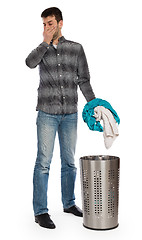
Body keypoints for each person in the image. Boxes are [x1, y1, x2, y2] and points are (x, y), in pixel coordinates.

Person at [25, 7, 95, 229]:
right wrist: (45, 43)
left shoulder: (76, 49)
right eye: (44, 24)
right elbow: (29, 62)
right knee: (43, 163)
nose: (47, 28)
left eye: (51, 23)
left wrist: (94, 104)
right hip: (47, 112)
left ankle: (69, 203)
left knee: (69, 162)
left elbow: (83, 79)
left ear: (61, 23)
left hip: (70, 114)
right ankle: (40, 212)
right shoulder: (41, 50)